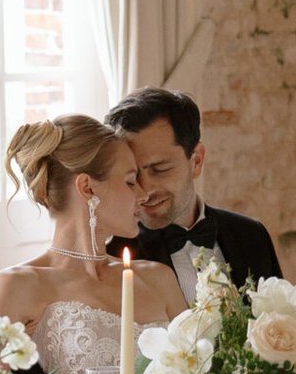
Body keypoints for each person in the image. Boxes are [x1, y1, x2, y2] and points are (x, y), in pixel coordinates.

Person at [0, 116, 184, 374]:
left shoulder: (158, 278)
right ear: (88, 188)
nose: (142, 194)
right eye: (129, 181)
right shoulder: (18, 285)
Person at [105, 86, 282, 301]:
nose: (145, 190)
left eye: (159, 169)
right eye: (131, 177)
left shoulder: (252, 235)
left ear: (196, 160)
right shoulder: (112, 257)